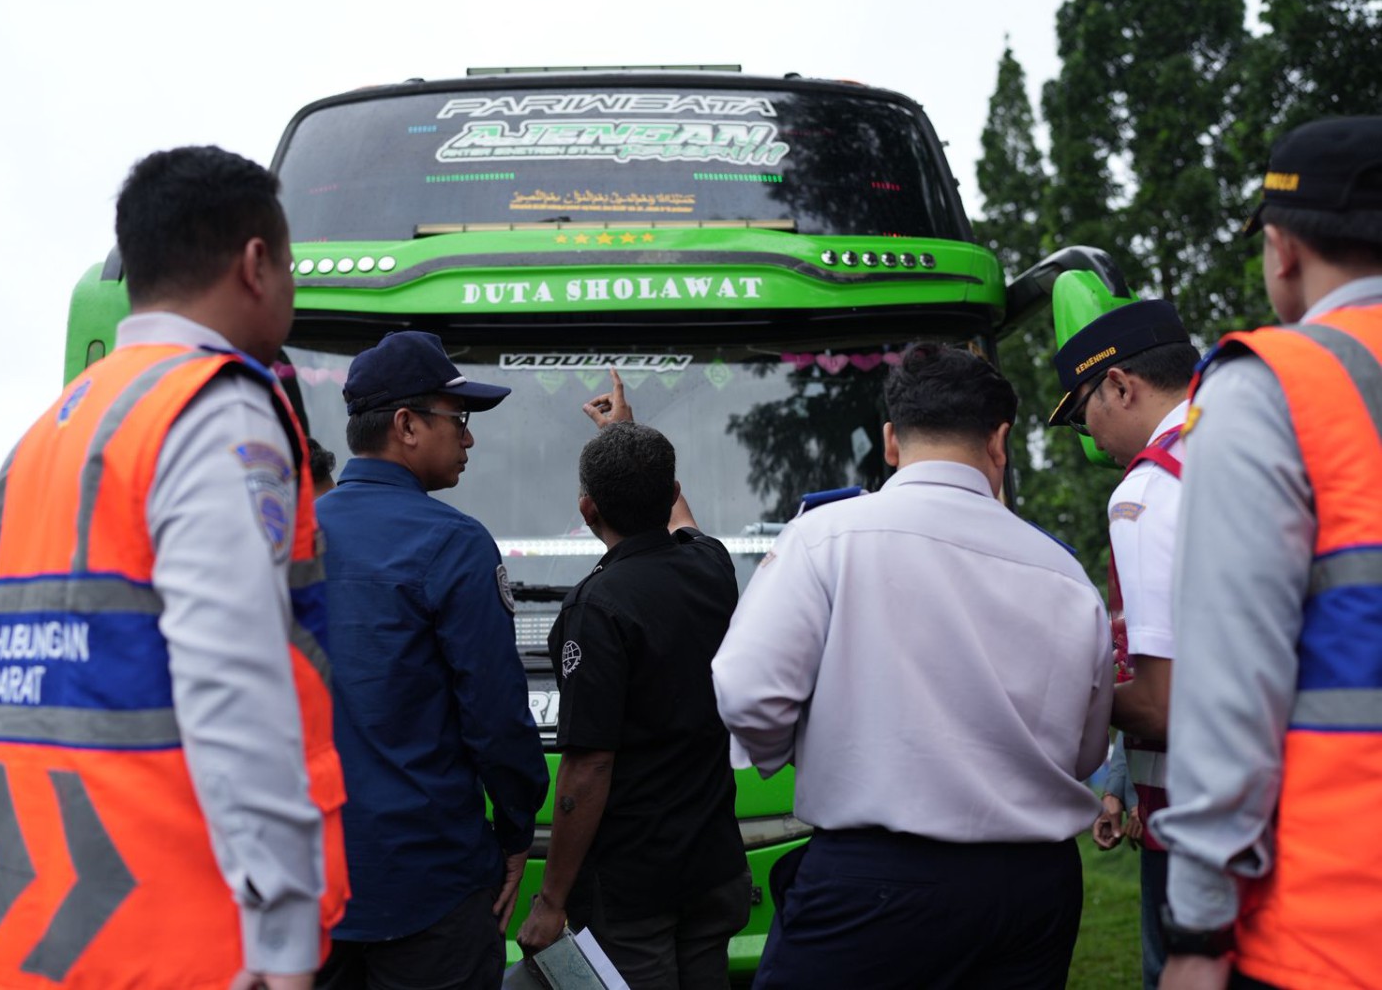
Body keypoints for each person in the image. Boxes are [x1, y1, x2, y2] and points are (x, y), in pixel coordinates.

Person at [0, 145, 347, 990]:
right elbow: (234, 680)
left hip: (29, 939)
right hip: (176, 939)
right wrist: (283, 938)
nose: (290, 287)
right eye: (288, 266)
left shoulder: (46, 436)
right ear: (254, 263)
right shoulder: (213, 408)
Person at [712, 343, 1113, 988]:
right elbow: (1086, 744)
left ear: (891, 440)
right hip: (1031, 890)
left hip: (878, 879)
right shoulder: (1063, 572)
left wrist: (796, 749)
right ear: (1000, 441)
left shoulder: (826, 536)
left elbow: (747, 691)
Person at [1151, 116, 1382, 989]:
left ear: (1281, 250)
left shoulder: (1273, 389)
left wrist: (1198, 928)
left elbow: (1229, 683)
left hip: (1336, 928)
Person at [315, 330, 549, 989]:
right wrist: (515, 827)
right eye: (461, 419)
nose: (469, 438)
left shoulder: (287, 537)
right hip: (431, 888)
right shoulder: (454, 544)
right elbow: (497, 717)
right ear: (407, 425)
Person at [516, 371, 749, 987]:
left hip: (636, 886)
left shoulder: (596, 608)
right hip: (716, 870)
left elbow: (587, 769)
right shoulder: (711, 566)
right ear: (670, 487)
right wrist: (629, 434)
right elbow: (681, 519)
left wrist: (551, 898)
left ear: (587, 509)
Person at [1047, 299, 1200, 989]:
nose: (1088, 436)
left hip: (1194, 819)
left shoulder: (1145, 486)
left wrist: (1065, 692)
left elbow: (1164, 706)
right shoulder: (1253, 440)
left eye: (1083, 413)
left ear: (1120, 385)